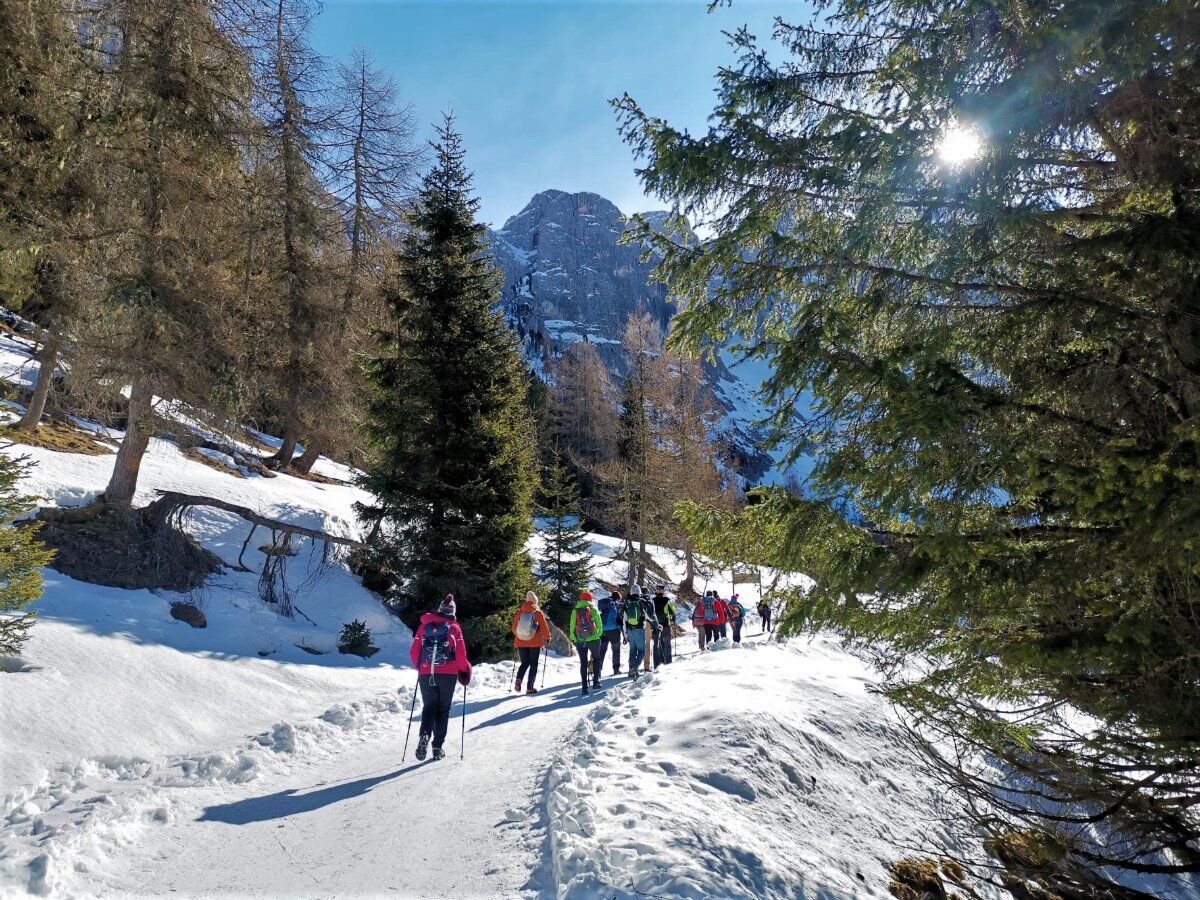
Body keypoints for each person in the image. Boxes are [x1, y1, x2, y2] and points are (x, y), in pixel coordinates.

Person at [409, 595, 473, 761]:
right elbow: (461, 655)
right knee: (443, 710)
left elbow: (414, 651)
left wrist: (421, 667)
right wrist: (465, 670)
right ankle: (437, 748)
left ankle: (424, 736)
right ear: (453, 612)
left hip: (426, 672)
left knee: (429, 707)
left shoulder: (425, 626)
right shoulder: (454, 627)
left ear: (439, 609)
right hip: (448, 673)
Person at [511, 590, 552, 694]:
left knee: (524, 663)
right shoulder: (537, 613)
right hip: (535, 643)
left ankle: (518, 681)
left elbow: (513, 629)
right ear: (535, 602)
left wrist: (520, 637)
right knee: (533, 664)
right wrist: (548, 638)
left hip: (521, 642)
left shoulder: (519, 613)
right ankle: (530, 687)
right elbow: (544, 628)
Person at [569, 590, 604, 695]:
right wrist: (597, 635)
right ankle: (596, 682)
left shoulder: (575, 610)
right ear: (590, 599)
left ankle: (584, 687)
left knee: (583, 663)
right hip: (593, 639)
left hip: (580, 640)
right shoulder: (593, 609)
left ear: (581, 599)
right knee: (597, 659)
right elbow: (599, 625)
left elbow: (572, 626)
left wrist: (574, 639)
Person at [624, 585, 656, 677]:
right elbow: (649, 616)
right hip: (639, 629)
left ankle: (631, 669)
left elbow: (624, 620)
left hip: (630, 630)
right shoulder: (642, 602)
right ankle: (635, 668)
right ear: (639, 592)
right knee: (642, 650)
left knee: (632, 650)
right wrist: (654, 622)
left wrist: (625, 633)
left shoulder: (627, 603)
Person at [597, 590, 625, 676]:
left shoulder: (605, 603)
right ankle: (616, 670)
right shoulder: (616, 604)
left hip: (603, 631)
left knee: (602, 651)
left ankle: (597, 671)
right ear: (618, 598)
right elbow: (620, 620)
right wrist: (623, 633)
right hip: (614, 632)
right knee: (616, 651)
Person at [651, 584, 676, 667]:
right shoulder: (667, 600)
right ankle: (668, 662)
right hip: (665, 625)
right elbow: (673, 612)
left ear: (657, 591)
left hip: (656, 625)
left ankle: (658, 663)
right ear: (663, 591)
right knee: (667, 643)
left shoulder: (653, 600)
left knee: (658, 643)